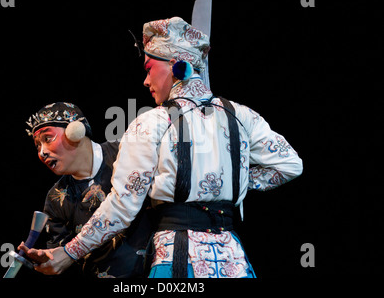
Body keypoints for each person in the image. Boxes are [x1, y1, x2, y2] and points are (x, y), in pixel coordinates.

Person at [20, 17, 303, 278]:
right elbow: (291, 165)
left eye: (149, 68)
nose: (145, 81)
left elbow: (122, 206)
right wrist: (228, 182)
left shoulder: (151, 123)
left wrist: (70, 252)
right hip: (233, 258)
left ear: (176, 65)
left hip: (178, 258)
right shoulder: (241, 115)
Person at [24, 102, 150, 278]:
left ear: (75, 131)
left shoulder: (125, 155)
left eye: (47, 139)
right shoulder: (55, 199)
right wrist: (48, 260)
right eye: (37, 145)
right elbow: (60, 258)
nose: (42, 152)